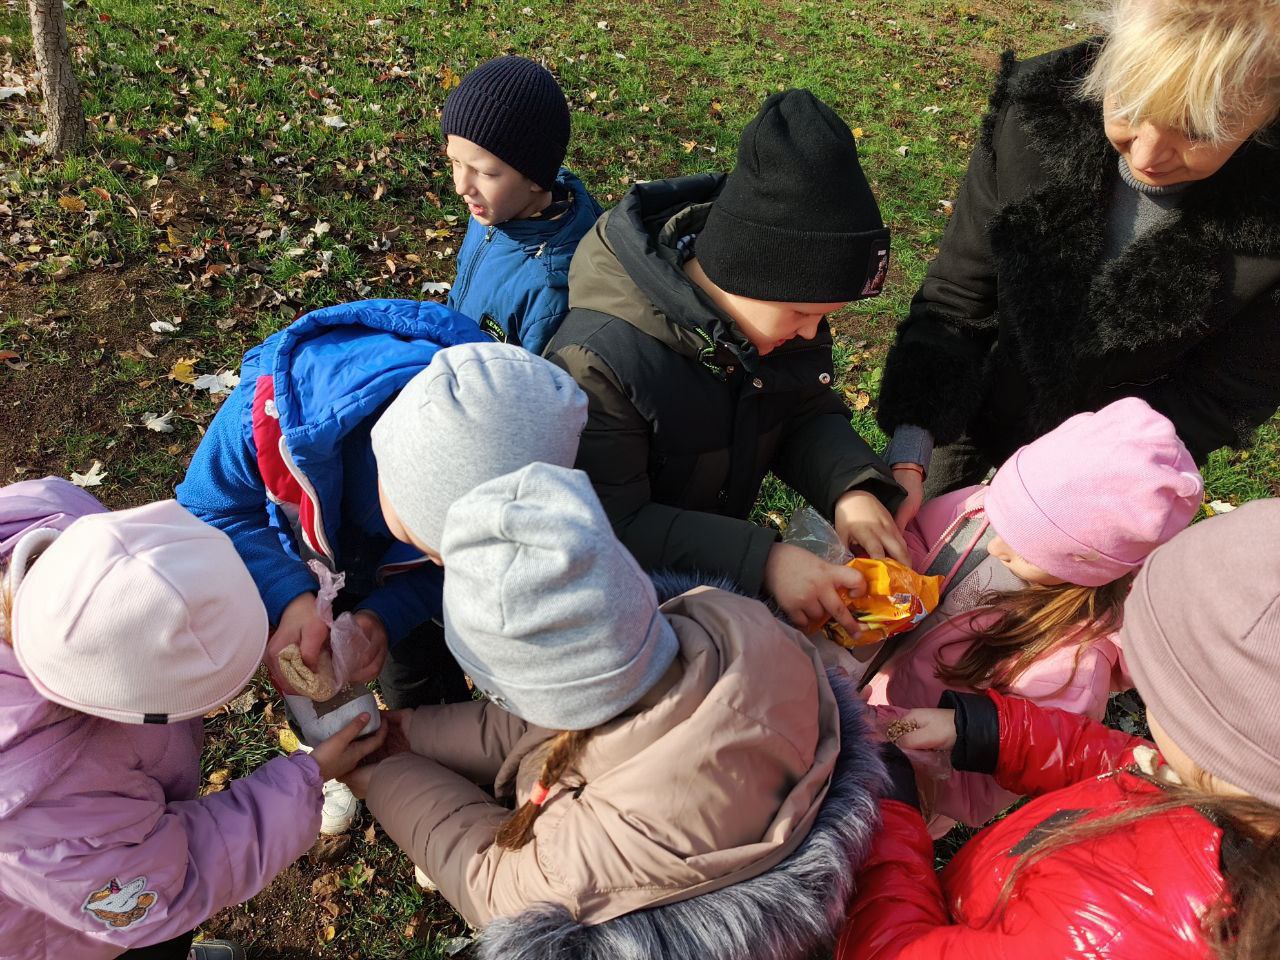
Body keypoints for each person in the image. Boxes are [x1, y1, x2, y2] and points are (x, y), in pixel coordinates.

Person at [343, 463, 886, 960]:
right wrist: (410, 732)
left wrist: (382, 771)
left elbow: (487, 876)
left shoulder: (574, 868)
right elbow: (543, 731)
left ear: (544, 695)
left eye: (505, 691)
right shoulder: (730, 629)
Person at [175, 300, 586, 833]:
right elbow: (211, 505)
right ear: (396, 475)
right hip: (300, 563)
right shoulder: (275, 419)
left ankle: (434, 777)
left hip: (386, 575)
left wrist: (384, 617)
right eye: (435, 545)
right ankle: (331, 753)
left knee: (411, 668)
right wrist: (291, 597)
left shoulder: (507, 467)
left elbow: (439, 570)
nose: (447, 564)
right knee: (312, 673)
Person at [877, 0, 1280, 525]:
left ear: (1267, 112)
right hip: (981, 402)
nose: (1145, 157)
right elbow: (957, 301)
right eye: (1131, 105)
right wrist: (913, 451)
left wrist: (1067, 499)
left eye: (1198, 131)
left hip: (1114, 476)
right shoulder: (1035, 110)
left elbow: (1221, 395)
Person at [839, 498, 1280, 960]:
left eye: (1158, 686)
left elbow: (894, 951)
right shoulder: (1217, 785)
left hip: (934, 918)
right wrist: (986, 730)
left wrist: (889, 815)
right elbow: (1126, 764)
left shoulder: (1111, 934)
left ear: (1218, 737)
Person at [545, 88, 905, 637]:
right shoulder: (600, 364)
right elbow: (606, 523)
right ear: (743, 275)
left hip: (704, 590)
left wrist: (850, 486)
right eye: (802, 314)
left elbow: (802, 412)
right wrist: (763, 561)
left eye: (823, 317)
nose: (813, 331)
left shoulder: (775, 325)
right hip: (609, 616)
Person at [0, 482, 384, 960]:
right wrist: (308, 776)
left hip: (111, 857)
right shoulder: (40, 810)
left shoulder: (52, 514)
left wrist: (289, 603)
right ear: (130, 701)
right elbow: (178, 880)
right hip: (78, 926)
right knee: (155, 943)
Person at [864, 397, 1202, 834]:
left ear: (1084, 565)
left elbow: (991, 776)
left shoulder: (1070, 667)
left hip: (905, 783)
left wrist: (891, 741)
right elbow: (924, 538)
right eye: (1001, 515)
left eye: (1024, 546)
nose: (997, 545)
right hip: (864, 686)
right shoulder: (983, 514)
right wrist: (889, 571)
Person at [442, 55, 602, 355]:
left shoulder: (550, 291)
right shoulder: (492, 212)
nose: (461, 186)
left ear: (536, 177)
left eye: (486, 172)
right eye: (455, 161)